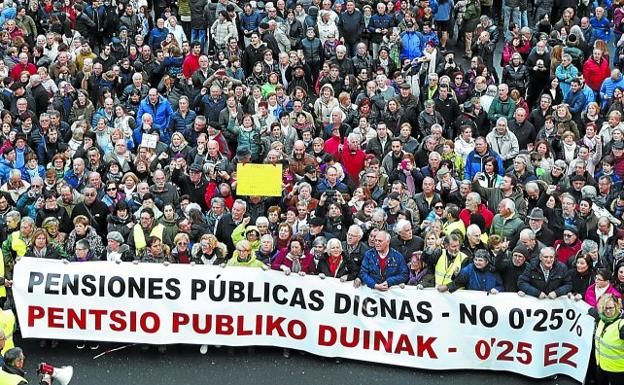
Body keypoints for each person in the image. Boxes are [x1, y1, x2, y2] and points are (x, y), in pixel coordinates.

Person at [593, 294, 624, 385]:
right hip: (601, 367)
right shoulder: (602, 319)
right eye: (605, 308)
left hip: (618, 371)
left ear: (617, 306)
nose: (608, 311)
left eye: (610, 308)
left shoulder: (621, 324)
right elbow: (592, 311)